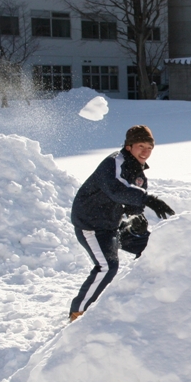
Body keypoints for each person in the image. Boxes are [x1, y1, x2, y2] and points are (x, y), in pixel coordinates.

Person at [69, 125, 175, 321]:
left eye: (149, 148)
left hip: (112, 224)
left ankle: (144, 299)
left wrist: (135, 219)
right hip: (91, 225)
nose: (145, 152)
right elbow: (116, 190)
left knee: (153, 248)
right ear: (129, 147)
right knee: (107, 266)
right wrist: (148, 199)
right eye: (141, 146)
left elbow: (132, 205)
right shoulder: (113, 163)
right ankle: (78, 312)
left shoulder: (139, 173)